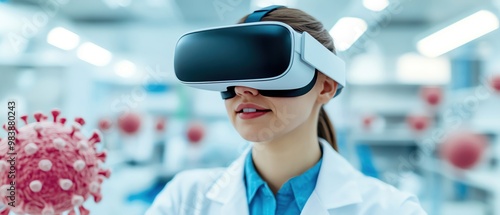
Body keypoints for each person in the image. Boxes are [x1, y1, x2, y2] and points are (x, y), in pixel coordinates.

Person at [146, 6, 427, 215]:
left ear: (326, 87)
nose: (244, 90)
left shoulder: (390, 208)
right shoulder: (185, 199)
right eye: (233, 73)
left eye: (267, 71)